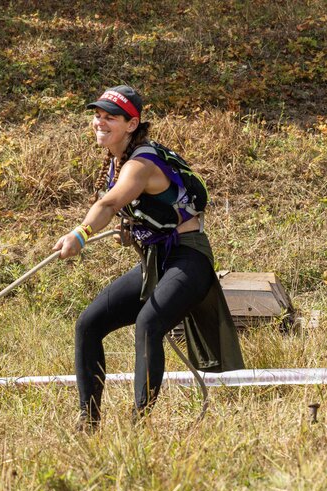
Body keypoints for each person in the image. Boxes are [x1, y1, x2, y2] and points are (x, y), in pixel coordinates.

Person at [53, 85, 244, 429]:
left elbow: (108, 204)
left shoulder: (140, 163)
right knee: (89, 324)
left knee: (148, 324)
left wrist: (80, 234)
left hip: (189, 260)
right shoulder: (117, 161)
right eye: (97, 115)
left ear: (131, 124)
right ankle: (88, 421)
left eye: (110, 117)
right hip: (154, 260)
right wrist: (134, 232)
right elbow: (139, 211)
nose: (100, 122)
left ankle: (138, 423)